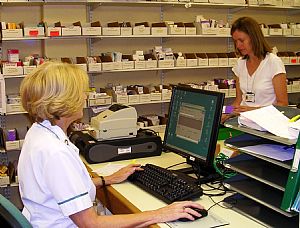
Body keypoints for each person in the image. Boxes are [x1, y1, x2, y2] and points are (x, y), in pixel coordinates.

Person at [18, 61, 205, 227]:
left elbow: (62, 186)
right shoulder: (55, 152)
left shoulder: (38, 133)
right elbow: (92, 224)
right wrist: (159, 214)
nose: (84, 98)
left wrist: (107, 180)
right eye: (80, 93)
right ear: (63, 101)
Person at [223, 16, 288, 122]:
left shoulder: (273, 62)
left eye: (241, 40)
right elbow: (238, 102)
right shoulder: (240, 63)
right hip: (244, 122)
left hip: (267, 125)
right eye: (235, 41)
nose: (238, 45)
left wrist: (253, 110)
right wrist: (225, 112)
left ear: (254, 37)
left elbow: (283, 105)